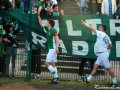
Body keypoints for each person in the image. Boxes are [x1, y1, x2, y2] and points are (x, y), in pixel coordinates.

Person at [81, 20, 117, 87]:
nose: (98, 28)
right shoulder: (106, 36)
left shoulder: (101, 33)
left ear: (102, 29)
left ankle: (114, 82)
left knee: (109, 69)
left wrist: (84, 23)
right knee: (95, 66)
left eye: (99, 27)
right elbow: (111, 46)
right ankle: (88, 79)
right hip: (102, 54)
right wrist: (105, 48)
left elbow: (91, 28)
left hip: (103, 54)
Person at [38, 16, 59, 84]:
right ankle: (56, 79)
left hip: (53, 49)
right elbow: (41, 23)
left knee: (46, 63)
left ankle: (56, 77)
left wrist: (57, 48)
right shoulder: (47, 29)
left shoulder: (53, 30)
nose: (46, 23)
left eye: (47, 22)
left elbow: (57, 39)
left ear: (50, 24)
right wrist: (38, 16)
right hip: (51, 48)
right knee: (53, 63)